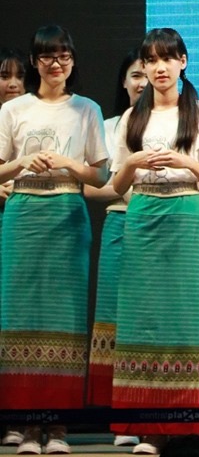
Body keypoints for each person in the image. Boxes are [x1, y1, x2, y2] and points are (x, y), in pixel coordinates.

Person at [110, 28, 199, 457]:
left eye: (167, 59)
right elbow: (117, 183)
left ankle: (180, 429)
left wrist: (184, 161)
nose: (160, 68)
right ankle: (148, 431)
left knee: (181, 318)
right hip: (142, 213)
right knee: (141, 317)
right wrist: (136, 162)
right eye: (152, 61)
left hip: (184, 212)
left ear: (183, 62)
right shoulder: (132, 117)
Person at [0, 26, 108, 456]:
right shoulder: (14, 110)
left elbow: (101, 174)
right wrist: (23, 162)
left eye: (64, 55)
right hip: (23, 214)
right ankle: (26, 425)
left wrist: (67, 163)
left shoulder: (87, 109)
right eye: (47, 56)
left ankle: (58, 425)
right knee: (19, 316)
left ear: (73, 61)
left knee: (66, 317)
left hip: (67, 214)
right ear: (35, 61)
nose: (56, 63)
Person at [85, 50, 148, 446]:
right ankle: (118, 417)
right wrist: (121, 187)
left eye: (148, 73)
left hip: (158, 225)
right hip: (119, 223)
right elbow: (95, 187)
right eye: (135, 74)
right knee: (114, 317)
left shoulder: (174, 120)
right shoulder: (109, 126)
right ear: (124, 82)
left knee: (148, 320)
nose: (143, 81)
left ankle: (145, 414)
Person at [0, 48, 28, 450]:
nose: (13, 84)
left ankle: (18, 416)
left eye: (19, 76)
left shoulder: (26, 118)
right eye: (5, 76)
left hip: (21, 228)